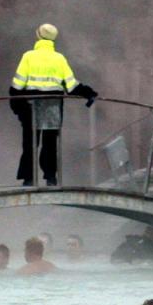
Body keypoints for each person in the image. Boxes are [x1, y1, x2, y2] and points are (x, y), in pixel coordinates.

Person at [10, 23, 98, 186]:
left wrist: (16, 106)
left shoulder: (28, 56)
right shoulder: (59, 59)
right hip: (53, 106)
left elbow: (17, 85)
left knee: (30, 143)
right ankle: (51, 178)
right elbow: (72, 86)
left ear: (38, 36)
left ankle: (28, 179)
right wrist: (89, 93)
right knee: (50, 144)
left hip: (31, 106)